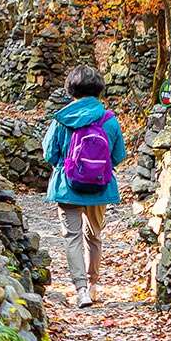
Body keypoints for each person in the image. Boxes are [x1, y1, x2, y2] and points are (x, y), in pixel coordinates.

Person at [42, 65, 126, 308]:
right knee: (95, 235)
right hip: (100, 188)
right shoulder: (108, 119)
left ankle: (80, 291)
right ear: (99, 89)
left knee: (72, 237)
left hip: (68, 188)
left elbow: (49, 153)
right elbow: (118, 155)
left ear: (71, 90)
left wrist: (67, 168)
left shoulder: (62, 119)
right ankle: (94, 284)